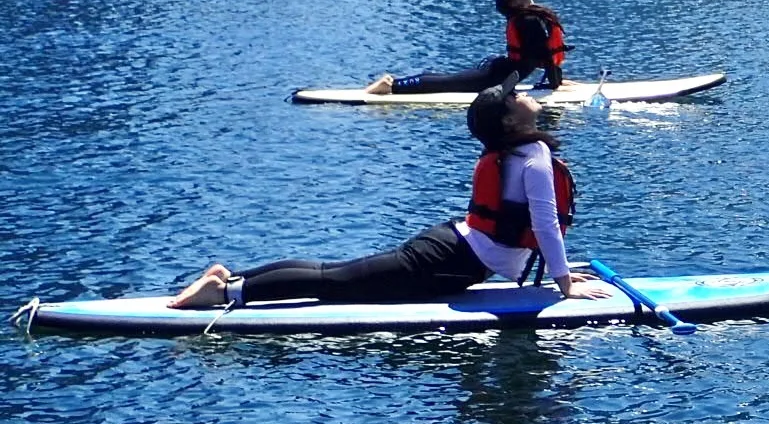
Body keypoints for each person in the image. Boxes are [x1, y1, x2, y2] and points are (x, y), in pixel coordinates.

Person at [169, 84, 610, 309]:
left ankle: (230, 277)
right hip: (449, 261)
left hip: (450, 244)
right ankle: (227, 292)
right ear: (511, 123)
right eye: (514, 96)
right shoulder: (532, 156)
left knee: (335, 272)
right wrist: (564, 283)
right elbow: (545, 222)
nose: (521, 95)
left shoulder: (517, 149)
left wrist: (562, 270)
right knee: (335, 284)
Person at [365, 0, 570, 96]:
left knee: (454, 78)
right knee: (450, 83)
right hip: (502, 74)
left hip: (502, 67)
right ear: (516, 2)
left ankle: (396, 82)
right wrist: (554, 84)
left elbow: (545, 54)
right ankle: (393, 85)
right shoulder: (529, 19)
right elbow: (545, 55)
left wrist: (555, 81)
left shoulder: (530, 16)